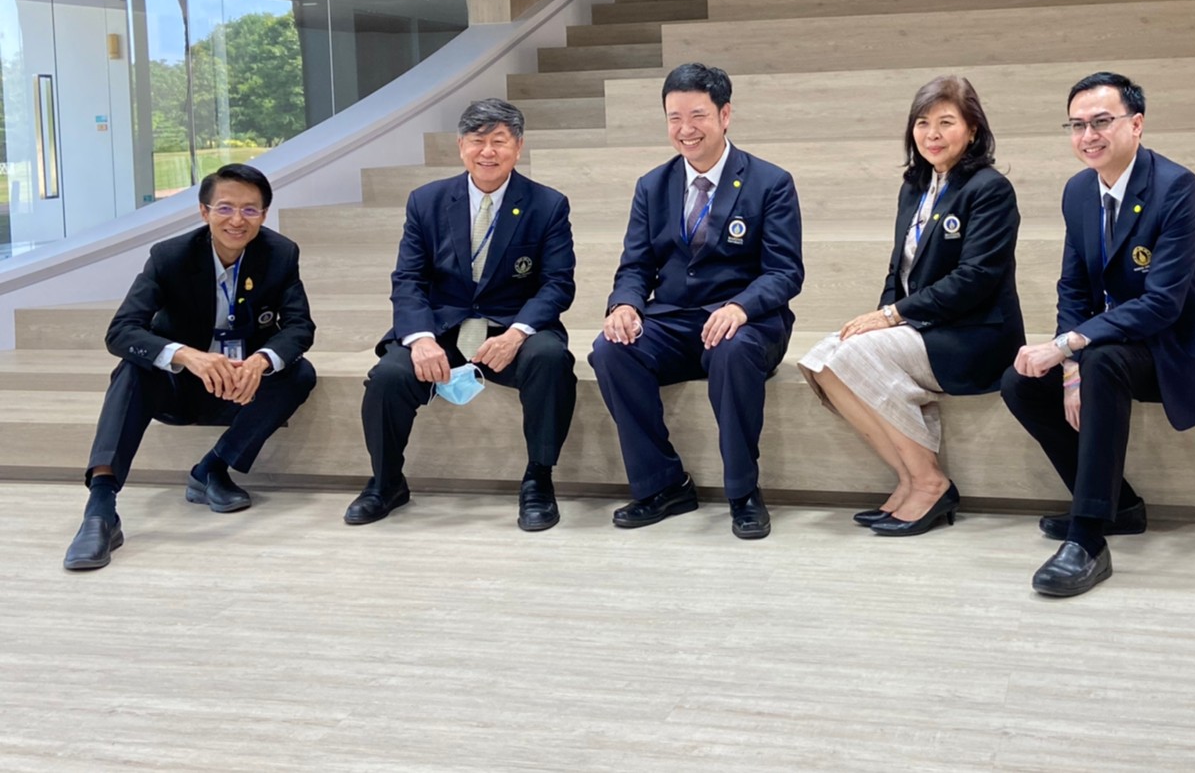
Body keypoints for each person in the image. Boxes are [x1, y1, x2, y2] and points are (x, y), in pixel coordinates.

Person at [1001, 72, 1195, 597]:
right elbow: (1073, 287)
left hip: (1180, 344)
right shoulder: (1078, 191)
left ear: (1136, 125)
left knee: (1102, 361)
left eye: (1101, 122)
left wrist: (1070, 346)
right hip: (1114, 340)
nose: (1088, 135)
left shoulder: (1177, 188)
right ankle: (1121, 507)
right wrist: (1067, 367)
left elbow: (1162, 304)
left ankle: (1087, 539)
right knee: (1021, 381)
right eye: (1077, 125)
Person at [799, 75, 1025, 536]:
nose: (932, 134)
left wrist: (891, 317)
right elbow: (898, 272)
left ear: (973, 130)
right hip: (925, 327)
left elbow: (975, 279)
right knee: (822, 360)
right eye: (923, 123)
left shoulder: (989, 189)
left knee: (854, 356)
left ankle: (931, 483)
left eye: (946, 122)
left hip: (976, 335)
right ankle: (908, 477)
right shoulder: (915, 187)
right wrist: (884, 316)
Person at [62, 164, 317, 572]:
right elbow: (121, 331)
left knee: (298, 373)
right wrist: (187, 356)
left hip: (240, 387)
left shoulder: (280, 254)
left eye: (250, 210)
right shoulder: (170, 256)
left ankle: (212, 469)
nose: (237, 220)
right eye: (225, 208)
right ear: (204, 211)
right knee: (131, 370)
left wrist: (260, 361)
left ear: (264, 215)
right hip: (179, 385)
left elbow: (300, 327)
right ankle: (100, 510)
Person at [590, 63, 804, 540]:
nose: (685, 129)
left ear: (725, 115)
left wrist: (740, 307)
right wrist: (624, 306)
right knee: (610, 349)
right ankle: (664, 485)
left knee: (732, 349)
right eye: (674, 118)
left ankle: (743, 492)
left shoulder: (770, 182)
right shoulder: (652, 186)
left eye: (698, 115)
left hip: (747, 322)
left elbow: (785, 272)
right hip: (673, 321)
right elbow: (635, 266)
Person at [343, 99, 577, 531]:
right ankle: (386, 482)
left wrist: (518, 333)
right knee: (389, 376)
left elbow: (557, 284)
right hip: (442, 326)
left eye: (499, 141)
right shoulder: (426, 201)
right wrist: (421, 338)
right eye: (477, 140)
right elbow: (408, 279)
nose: (487, 151)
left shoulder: (547, 205)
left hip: (510, 325)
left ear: (518, 146)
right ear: (460, 146)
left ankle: (538, 481)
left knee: (551, 359)